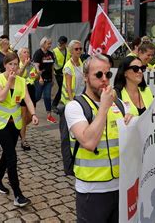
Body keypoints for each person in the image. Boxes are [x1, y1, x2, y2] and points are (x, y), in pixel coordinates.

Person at [64, 54, 132, 222]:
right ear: (86, 77)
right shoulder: (75, 107)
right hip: (92, 190)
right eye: (98, 75)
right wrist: (103, 108)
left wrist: (131, 124)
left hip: (120, 186)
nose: (104, 79)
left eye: (108, 74)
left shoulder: (119, 104)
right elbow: (88, 142)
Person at [0, 52, 39, 207]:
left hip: (15, 123)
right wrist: (9, 82)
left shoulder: (22, 81)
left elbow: (27, 99)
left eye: (16, 64)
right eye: (10, 64)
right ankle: (18, 195)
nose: (13, 67)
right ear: (5, 65)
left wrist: (34, 114)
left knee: (7, 153)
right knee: (12, 157)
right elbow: (1, 97)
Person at [17, 47, 38, 151]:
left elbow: (34, 76)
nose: (27, 53)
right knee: (24, 116)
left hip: (31, 89)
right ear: (20, 55)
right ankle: (23, 139)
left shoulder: (32, 65)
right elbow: (18, 75)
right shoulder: (18, 64)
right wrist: (25, 65)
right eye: (24, 52)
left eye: (28, 52)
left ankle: (19, 129)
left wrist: (38, 74)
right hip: (22, 90)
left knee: (30, 116)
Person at [33, 37, 56, 123]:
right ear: (43, 44)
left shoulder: (50, 53)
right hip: (40, 79)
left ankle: (49, 115)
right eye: (48, 43)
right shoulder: (38, 53)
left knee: (47, 97)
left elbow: (52, 66)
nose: (50, 45)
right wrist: (40, 78)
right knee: (37, 96)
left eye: (50, 43)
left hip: (49, 79)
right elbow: (36, 67)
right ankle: (30, 108)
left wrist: (53, 78)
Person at [61, 40, 85, 105]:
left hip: (80, 95)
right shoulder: (68, 67)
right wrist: (72, 102)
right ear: (71, 51)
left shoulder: (80, 61)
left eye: (80, 48)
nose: (79, 51)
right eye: (76, 49)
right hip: (72, 98)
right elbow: (68, 86)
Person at [52, 36, 70, 110]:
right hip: (58, 73)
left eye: (62, 43)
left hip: (66, 72)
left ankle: (63, 103)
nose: (60, 45)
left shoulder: (68, 50)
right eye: (59, 43)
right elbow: (52, 63)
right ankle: (54, 105)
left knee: (65, 88)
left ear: (65, 44)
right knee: (61, 89)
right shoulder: (54, 51)